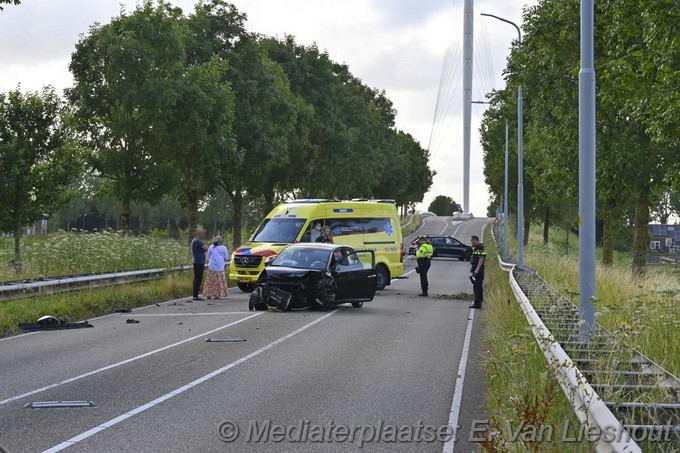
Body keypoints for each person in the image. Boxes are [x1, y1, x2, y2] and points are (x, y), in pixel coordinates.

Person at [469, 235, 486, 309]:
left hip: (478, 271)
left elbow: (481, 258)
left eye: (472, 241)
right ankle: (477, 302)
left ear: (476, 240)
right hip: (477, 270)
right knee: (476, 286)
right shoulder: (477, 248)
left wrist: (477, 269)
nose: (471, 243)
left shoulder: (480, 247)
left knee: (477, 287)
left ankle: (478, 303)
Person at [191, 229, 208, 301]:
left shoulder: (194, 241)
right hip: (199, 262)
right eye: (203, 234)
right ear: (199, 234)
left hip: (197, 261)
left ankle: (195, 294)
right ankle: (195, 295)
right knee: (198, 278)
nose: (203, 235)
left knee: (196, 278)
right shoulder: (198, 241)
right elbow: (206, 248)